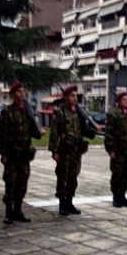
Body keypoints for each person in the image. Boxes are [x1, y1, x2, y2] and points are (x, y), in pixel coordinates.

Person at [0, 81, 43, 224]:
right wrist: (3, 154)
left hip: (24, 155)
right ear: (12, 94)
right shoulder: (7, 111)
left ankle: (18, 210)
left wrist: (39, 130)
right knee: (10, 184)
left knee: (22, 184)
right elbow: (1, 135)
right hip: (11, 155)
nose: (22, 94)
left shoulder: (27, 111)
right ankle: (8, 212)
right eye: (19, 91)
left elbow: (35, 133)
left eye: (23, 91)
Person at [49, 86, 95, 216]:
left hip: (76, 151)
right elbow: (54, 132)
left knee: (73, 177)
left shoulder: (78, 113)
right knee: (62, 176)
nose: (75, 98)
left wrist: (93, 131)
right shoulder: (60, 112)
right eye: (72, 96)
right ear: (66, 97)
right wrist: (54, 151)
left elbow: (84, 130)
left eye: (76, 96)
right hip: (64, 150)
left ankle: (69, 202)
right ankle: (62, 204)